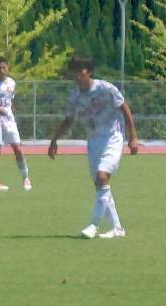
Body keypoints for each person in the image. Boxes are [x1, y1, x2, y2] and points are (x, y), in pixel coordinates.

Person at [47, 54, 140, 239]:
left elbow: (125, 109)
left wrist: (133, 137)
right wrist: (54, 140)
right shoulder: (75, 96)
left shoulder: (106, 88)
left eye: (80, 70)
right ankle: (117, 228)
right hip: (94, 141)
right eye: (73, 71)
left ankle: (93, 225)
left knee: (102, 176)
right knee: (101, 185)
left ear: (89, 71)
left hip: (113, 138)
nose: (76, 75)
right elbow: (68, 119)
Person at [0, 57, 30, 191]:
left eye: (4, 67)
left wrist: (12, 111)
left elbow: (10, 100)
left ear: (8, 68)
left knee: (17, 147)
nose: (1, 70)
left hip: (8, 118)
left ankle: (26, 177)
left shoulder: (12, 83)